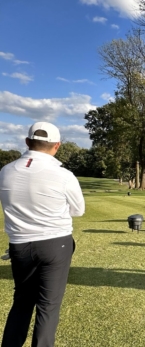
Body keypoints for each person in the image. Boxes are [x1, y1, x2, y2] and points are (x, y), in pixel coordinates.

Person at [0, 122, 85, 347]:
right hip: (56, 244)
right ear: (57, 146)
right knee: (48, 306)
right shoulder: (64, 175)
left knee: (22, 303)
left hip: (20, 245)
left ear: (27, 142)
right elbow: (78, 210)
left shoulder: (5, 171)